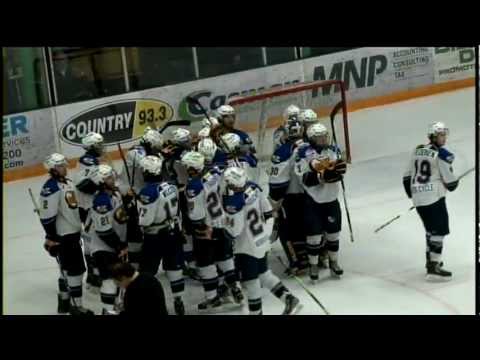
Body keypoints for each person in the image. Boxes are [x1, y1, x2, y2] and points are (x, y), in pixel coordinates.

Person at [222, 166, 302, 315]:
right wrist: (266, 234)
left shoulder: (235, 202)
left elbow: (235, 231)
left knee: (251, 282)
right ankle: (289, 299)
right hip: (260, 241)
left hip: (246, 247)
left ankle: (256, 313)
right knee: (264, 274)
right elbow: (268, 212)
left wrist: (225, 225)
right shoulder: (254, 189)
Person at [182, 151, 243, 311]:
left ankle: (212, 297)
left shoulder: (193, 186)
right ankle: (236, 288)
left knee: (205, 264)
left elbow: (196, 214)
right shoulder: (216, 172)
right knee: (225, 258)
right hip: (221, 224)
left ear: (191, 168)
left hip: (205, 228)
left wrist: (194, 226)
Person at [402, 122, 459, 280]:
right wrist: (454, 179)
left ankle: (430, 262)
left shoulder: (417, 150)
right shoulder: (441, 155)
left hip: (419, 200)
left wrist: (414, 196)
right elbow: (452, 184)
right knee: (439, 231)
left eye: (444, 134)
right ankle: (434, 267)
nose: (444, 137)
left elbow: (407, 177)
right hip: (434, 198)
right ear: (433, 136)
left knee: (430, 230)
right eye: (441, 135)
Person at [38, 153, 93, 315]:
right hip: (64, 236)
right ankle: (77, 306)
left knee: (67, 270)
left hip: (73, 233)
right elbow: (47, 217)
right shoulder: (51, 188)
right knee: (76, 271)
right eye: (61, 166)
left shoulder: (68, 183)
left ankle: (64, 301)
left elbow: (76, 207)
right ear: (53, 169)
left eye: (64, 165)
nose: (65, 168)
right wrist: (52, 238)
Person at [294, 121, 347, 282]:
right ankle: (313, 265)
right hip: (313, 201)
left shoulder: (333, 150)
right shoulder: (302, 152)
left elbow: (339, 170)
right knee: (314, 237)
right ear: (311, 139)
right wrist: (321, 176)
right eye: (320, 137)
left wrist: (339, 169)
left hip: (331, 199)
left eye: (325, 136)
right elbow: (303, 178)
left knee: (333, 234)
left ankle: (334, 262)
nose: (324, 140)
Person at [137, 155, 186, 315]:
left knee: (146, 271)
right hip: (174, 230)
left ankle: (145, 303)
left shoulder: (147, 192)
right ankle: (179, 300)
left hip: (155, 236)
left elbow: (145, 221)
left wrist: (133, 205)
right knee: (174, 267)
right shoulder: (171, 185)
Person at [117, 127, 165, 269]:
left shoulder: (142, 151)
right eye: (155, 147)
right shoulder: (136, 153)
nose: (157, 150)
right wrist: (161, 155)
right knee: (135, 233)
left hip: (138, 195)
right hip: (131, 197)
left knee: (141, 231)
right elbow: (149, 165)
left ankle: (141, 262)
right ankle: (134, 266)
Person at [269, 118, 309, 275]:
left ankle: (296, 262)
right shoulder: (311, 146)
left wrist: (274, 201)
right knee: (306, 227)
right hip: (310, 195)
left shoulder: (283, 151)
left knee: (285, 231)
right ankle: (313, 257)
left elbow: (277, 183)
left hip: (290, 198)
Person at [89, 164, 129, 315]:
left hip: (115, 244)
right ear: (101, 181)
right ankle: (107, 310)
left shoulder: (115, 194)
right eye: (109, 178)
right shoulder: (101, 201)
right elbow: (103, 230)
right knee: (109, 280)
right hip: (103, 247)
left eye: (112, 176)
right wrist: (119, 246)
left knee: (118, 278)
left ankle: (116, 307)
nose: (113, 179)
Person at [74, 131, 105, 290]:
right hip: (87, 206)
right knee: (91, 239)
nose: (102, 147)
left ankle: (93, 273)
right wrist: (101, 184)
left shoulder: (91, 160)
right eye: (99, 144)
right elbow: (82, 185)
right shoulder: (88, 161)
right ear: (92, 147)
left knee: (89, 239)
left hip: (86, 205)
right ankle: (94, 274)